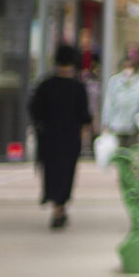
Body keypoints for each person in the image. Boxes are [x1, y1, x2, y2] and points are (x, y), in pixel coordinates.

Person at [27, 44, 94, 230]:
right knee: (66, 172)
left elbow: (34, 110)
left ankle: (54, 201)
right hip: (70, 137)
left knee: (51, 170)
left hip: (48, 136)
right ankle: (60, 206)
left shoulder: (45, 85)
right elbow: (84, 116)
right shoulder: (78, 88)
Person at [102, 50, 139, 144]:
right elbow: (108, 103)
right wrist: (105, 123)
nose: (127, 70)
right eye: (125, 67)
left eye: (130, 67)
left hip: (134, 127)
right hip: (116, 125)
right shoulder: (114, 81)